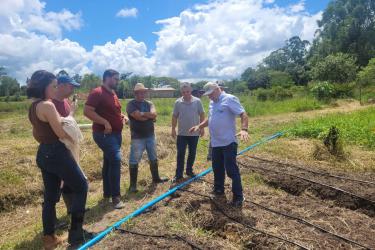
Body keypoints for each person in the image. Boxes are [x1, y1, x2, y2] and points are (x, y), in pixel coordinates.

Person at [27, 70, 94, 249]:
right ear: (44, 86)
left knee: (50, 197)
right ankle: (76, 234)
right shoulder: (48, 106)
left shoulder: (33, 106)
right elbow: (60, 131)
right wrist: (73, 136)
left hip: (44, 153)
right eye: (53, 86)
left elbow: (37, 133)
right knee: (81, 186)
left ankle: (49, 238)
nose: (55, 89)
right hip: (57, 152)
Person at [190, 82, 249, 207]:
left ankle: (238, 196)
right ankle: (218, 189)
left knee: (232, 171)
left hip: (228, 142)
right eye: (207, 95)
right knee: (217, 168)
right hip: (215, 142)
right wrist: (199, 126)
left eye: (210, 94)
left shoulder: (229, 99)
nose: (209, 97)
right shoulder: (213, 102)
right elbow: (210, 118)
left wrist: (244, 129)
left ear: (217, 90)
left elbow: (243, 114)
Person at [84, 69, 127, 209]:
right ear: (107, 78)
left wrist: (122, 117)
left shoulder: (113, 94)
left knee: (109, 162)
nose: (117, 81)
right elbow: (87, 111)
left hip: (116, 134)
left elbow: (116, 111)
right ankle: (116, 197)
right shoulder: (97, 92)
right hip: (104, 134)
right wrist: (105, 122)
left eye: (118, 79)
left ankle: (107, 193)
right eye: (115, 78)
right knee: (115, 159)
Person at [126, 83, 168, 192]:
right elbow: (138, 117)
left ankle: (156, 178)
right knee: (134, 160)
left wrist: (144, 114)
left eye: (143, 92)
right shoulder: (131, 104)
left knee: (153, 157)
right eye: (140, 92)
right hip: (137, 137)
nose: (142, 94)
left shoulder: (150, 103)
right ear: (135, 93)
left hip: (150, 135)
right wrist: (147, 116)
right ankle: (133, 186)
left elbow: (154, 115)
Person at [52, 75, 80, 216]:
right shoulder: (50, 104)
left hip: (67, 146)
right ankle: (51, 221)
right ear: (61, 85)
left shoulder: (66, 102)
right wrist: (73, 111)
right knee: (54, 184)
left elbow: (70, 123)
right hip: (56, 147)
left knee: (69, 180)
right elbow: (62, 126)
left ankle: (71, 209)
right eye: (71, 86)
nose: (73, 89)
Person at [171, 83, 205, 183]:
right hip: (182, 133)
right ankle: (178, 174)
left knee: (192, 152)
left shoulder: (197, 101)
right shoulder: (178, 102)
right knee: (180, 153)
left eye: (188, 92)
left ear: (191, 91)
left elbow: (202, 114)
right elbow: (174, 116)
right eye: (184, 92)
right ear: (181, 92)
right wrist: (173, 129)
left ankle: (189, 170)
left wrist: (202, 128)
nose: (186, 94)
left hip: (194, 133)